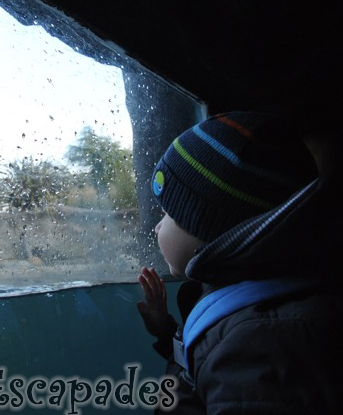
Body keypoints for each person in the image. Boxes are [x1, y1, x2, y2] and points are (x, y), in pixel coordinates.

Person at [137, 111, 343, 413]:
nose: (157, 227)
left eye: (168, 213)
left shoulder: (260, 343)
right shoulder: (244, 300)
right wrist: (165, 332)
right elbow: (201, 362)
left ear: (207, 225)